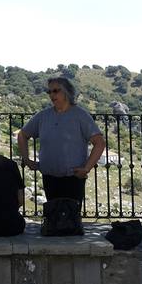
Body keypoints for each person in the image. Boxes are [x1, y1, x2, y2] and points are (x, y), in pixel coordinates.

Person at [16, 76, 105, 204]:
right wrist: (26, 159)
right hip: (49, 178)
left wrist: (86, 168)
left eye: (56, 91)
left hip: (73, 178)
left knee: (70, 214)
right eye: (49, 92)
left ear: (67, 92)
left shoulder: (80, 115)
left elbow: (99, 143)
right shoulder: (43, 116)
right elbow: (22, 135)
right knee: (53, 213)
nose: (51, 95)